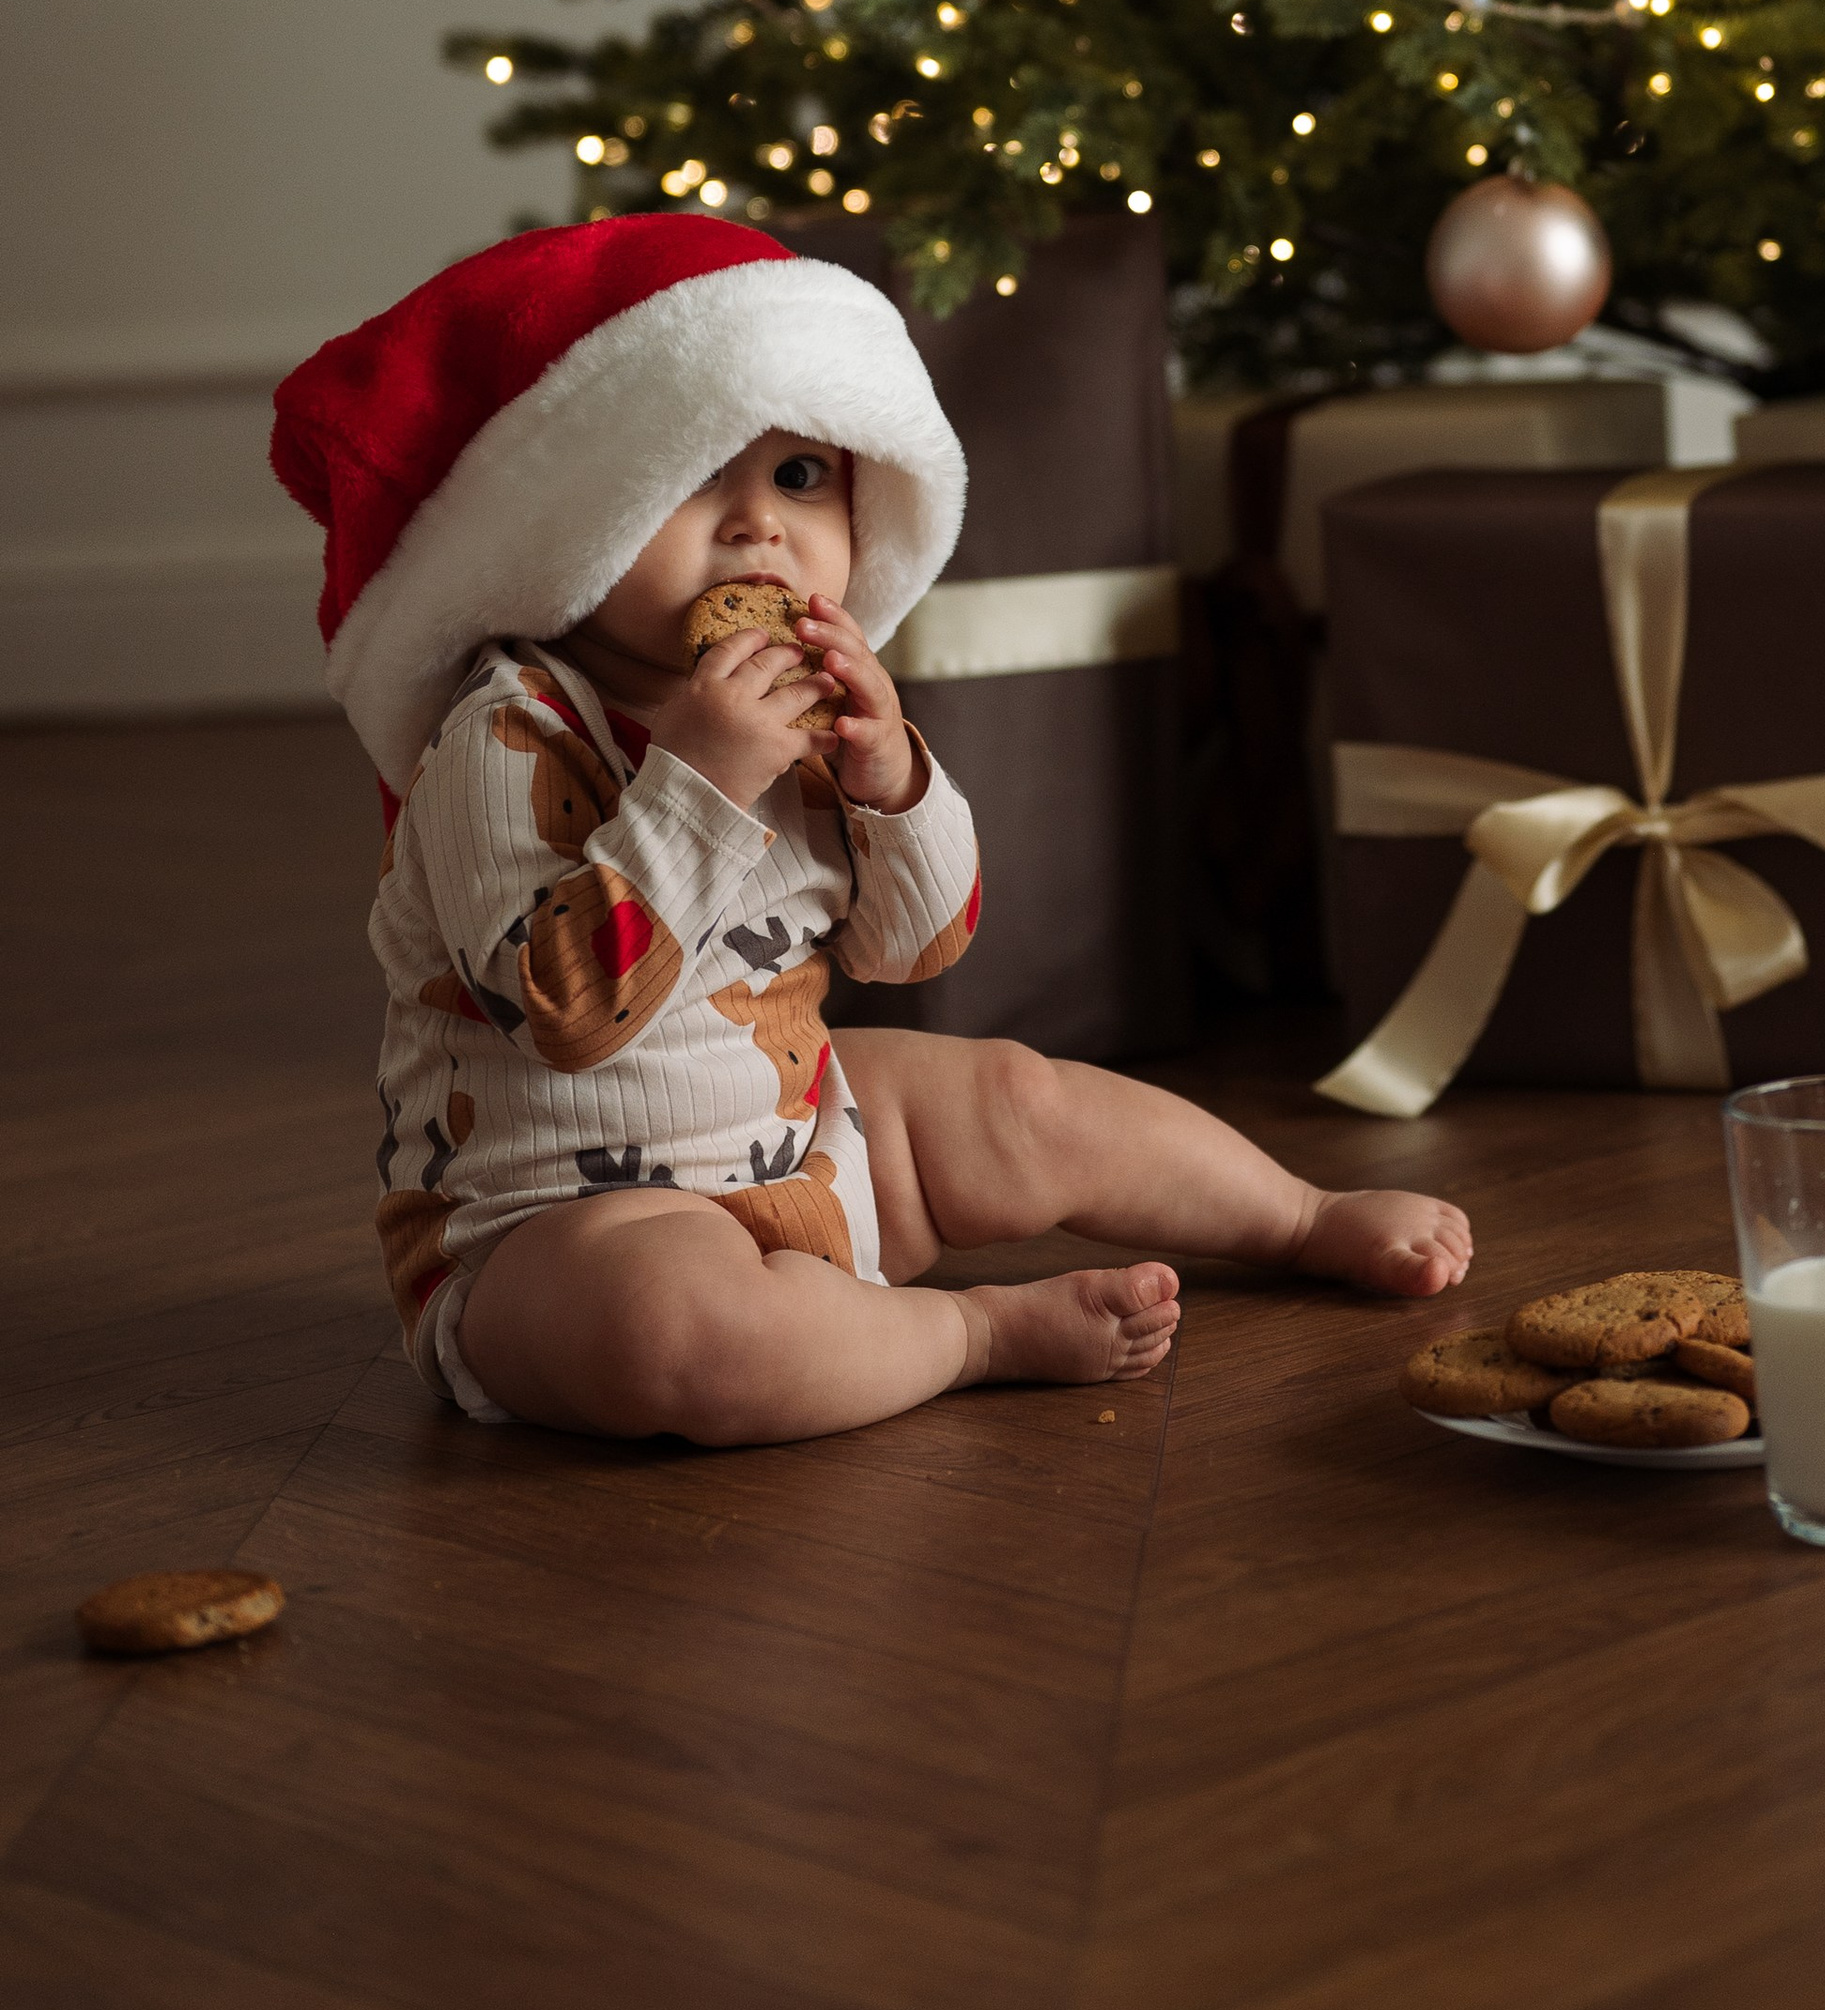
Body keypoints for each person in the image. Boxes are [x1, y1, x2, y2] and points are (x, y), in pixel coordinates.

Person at [272, 214, 1470, 1442]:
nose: (760, 529)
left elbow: (916, 949)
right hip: (560, 1233)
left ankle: (1296, 1216)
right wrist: (701, 777)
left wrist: (889, 777)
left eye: (801, 475)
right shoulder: (502, 735)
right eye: (694, 475)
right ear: (562, 523)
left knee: (1013, 1092)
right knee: (671, 1334)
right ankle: (969, 1334)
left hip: (804, 1143)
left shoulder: (798, 708)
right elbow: (562, 1009)